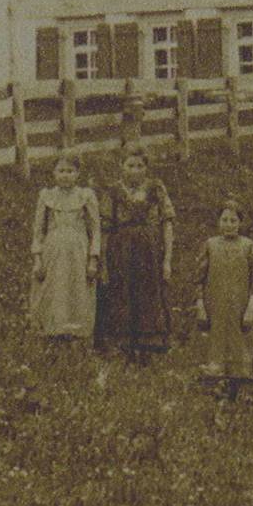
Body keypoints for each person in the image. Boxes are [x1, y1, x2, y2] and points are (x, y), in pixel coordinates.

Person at [96, 143, 174, 364]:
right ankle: (125, 348)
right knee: (122, 293)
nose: (135, 170)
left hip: (149, 253)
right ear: (121, 166)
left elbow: (167, 224)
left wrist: (167, 259)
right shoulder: (112, 192)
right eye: (130, 165)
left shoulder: (156, 188)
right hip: (120, 252)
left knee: (148, 294)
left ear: (146, 167)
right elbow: (105, 228)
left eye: (140, 165)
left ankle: (147, 348)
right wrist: (103, 261)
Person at [196, 200, 253, 425]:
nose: (229, 224)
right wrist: (200, 305)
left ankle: (234, 393)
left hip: (240, 307)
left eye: (233, 220)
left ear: (241, 223)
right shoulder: (210, 245)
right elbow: (199, 278)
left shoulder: (248, 246)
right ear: (218, 222)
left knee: (239, 347)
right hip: (215, 306)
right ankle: (216, 395)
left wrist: (251, 307)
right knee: (215, 347)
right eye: (224, 219)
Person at [29, 152, 101, 340]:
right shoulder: (46, 196)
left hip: (78, 250)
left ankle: (76, 332)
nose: (65, 175)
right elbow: (38, 231)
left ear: (78, 173)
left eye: (70, 171)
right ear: (53, 173)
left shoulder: (86, 196)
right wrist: (37, 259)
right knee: (54, 287)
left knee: (76, 287)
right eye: (61, 170)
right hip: (53, 250)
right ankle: (52, 330)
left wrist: (93, 259)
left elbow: (95, 229)